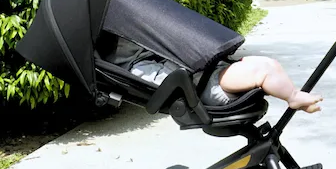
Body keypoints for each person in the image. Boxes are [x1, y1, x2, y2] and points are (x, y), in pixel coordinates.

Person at [110, 36, 323, 113]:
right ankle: (293, 97)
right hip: (206, 86)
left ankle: (294, 96)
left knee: (268, 64)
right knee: (264, 69)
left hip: (207, 77)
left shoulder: (147, 53)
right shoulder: (137, 67)